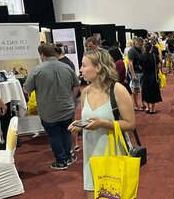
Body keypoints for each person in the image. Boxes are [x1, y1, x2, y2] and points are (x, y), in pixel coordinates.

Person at [68, 49, 136, 199]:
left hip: (113, 155)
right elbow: (89, 119)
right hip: (91, 156)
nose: (80, 69)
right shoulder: (85, 92)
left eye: (84, 65)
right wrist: (79, 124)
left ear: (98, 67)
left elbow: (130, 124)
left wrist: (103, 123)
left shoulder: (118, 90)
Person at [23, 44, 80, 169]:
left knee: (54, 135)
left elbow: (27, 89)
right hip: (67, 108)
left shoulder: (37, 70)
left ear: (42, 55)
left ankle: (61, 160)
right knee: (66, 131)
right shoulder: (67, 67)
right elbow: (76, 86)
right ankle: (68, 156)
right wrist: (70, 99)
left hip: (48, 110)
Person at [139, 43, 162, 114]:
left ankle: (147, 107)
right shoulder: (154, 56)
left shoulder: (141, 56)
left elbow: (140, 66)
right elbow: (159, 66)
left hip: (145, 75)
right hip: (153, 76)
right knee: (153, 91)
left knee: (145, 91)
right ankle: (152, 109)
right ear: (151, 48)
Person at [128, 37, 144, 111]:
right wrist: (133, 74)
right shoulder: (132, 51)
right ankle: (136, 105)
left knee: (142, 88)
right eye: (140, 45)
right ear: (136, 43)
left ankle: (143, 103)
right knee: (136, 89)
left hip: (141, 72)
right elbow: (130, 63)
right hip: (136, 72)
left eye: (142, 45)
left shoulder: (141, 49)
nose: (141, 46)